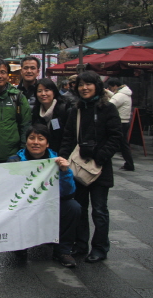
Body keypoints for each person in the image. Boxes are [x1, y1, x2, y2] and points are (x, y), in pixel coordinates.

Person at [59, 71, 123, 263]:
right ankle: (81, 244)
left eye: (88, 84)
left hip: (100, 169)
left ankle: (100, 248)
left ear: (97, 86)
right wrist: (63, 160)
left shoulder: (108, 109)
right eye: (80, 85)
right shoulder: (75, 110)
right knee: (80, 209)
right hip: (78, 169)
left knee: (100, 210)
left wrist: (99, 156)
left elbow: (116, 137)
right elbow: (68, 137)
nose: (84, 88)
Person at [7, 124, 81, 268]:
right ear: (26, 141)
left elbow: (69, 192)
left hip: (50, 205)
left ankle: (63, 250)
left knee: (73, 207)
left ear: (47, 143)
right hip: (24, 207)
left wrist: (65, 171)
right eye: (31, 138)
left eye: (40, 139)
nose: (35, 142)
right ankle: (20, 244)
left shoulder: (57, 162)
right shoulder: (14, 161)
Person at [31, 78, 71, 153]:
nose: (43, 94)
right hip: (43, 155)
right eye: (39, 91)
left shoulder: (64, 109)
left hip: (61, 153)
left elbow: (69, 136)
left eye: (47, 90)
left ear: (54, 92)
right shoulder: (36, 111)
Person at [105, 78, 134, 171]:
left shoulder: (121, 95)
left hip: (120, 122)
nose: (110, 89)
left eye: (110, 87)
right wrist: (108, 92)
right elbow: (115, 97)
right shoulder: (124, 93)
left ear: (115, 86)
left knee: (121, 144)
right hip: (124, 122)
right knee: (123, 144)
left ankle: (129, 164)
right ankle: (129, 164)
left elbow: (110, 104)